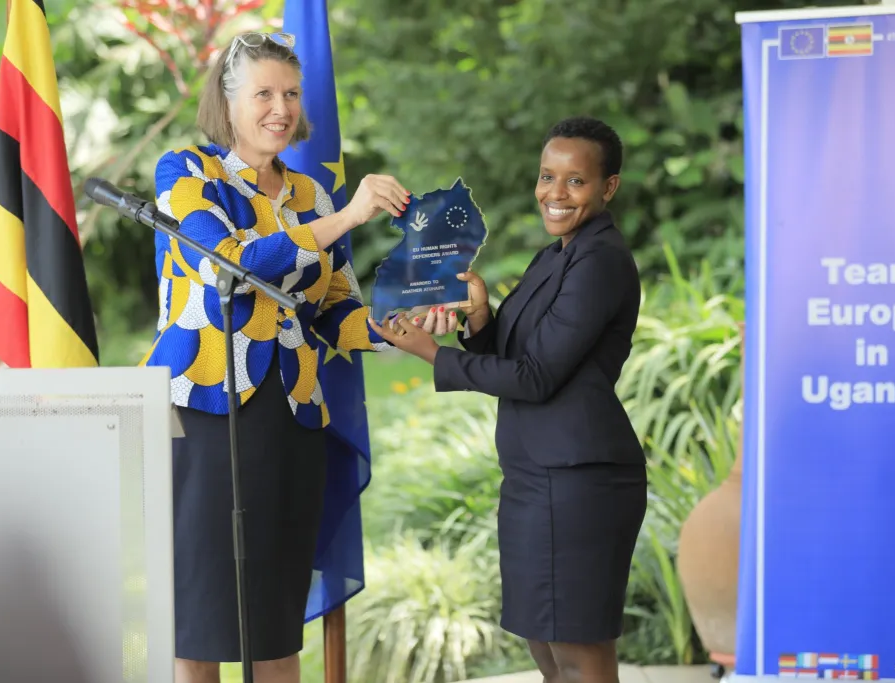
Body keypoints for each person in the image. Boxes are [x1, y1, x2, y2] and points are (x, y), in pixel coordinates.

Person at [142, 31, 419, 683]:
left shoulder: (310, 194)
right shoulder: (185, 173)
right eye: (263, 93)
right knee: (198, 615)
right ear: (227, 102)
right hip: (201, 413)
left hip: (291, 420)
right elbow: (230, 265)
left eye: (291, 94)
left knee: (274, 617)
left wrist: (405, 329)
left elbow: (336, 310)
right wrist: (347, 218)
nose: (281, 108)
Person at [372, 116, 647, 683]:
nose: (555, 193)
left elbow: (536, 376)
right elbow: (520, 354)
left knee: (578, 651)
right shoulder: (557, 254)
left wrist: (431, 354)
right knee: (545, 646)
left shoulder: (600, 261)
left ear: (609, 187)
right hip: (534, 475)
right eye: (547, 176)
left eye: (576, 181)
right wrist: (479, 315)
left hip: (578, 481)